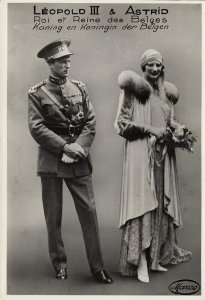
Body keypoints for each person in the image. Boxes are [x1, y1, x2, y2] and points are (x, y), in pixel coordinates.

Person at [28, 39, 113, 284]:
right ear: (50, 63)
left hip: (78, 158)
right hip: (52, 160)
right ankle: (60, 264)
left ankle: (97, 267)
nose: (67, 64)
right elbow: (36, 127)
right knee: (53, 217)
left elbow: (90, 121)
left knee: (90, 212)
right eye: (62, 61)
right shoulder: (36, 93)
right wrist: (64, 146)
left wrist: (78, 148)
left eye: (68, 59)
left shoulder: (80, 88)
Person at [114, 49, 192, 283]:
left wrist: (178, 132)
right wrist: (150, 130)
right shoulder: (132, 91)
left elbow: (168, 122)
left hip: (162, 157)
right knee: (143, 205)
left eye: (158, 65)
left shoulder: (166, 95)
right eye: (150, 65)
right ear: (143, 68)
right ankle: (139, 262)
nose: (155, 70)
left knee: (159, 202)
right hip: (140, 155)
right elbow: (121, 125)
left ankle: (155, 257)